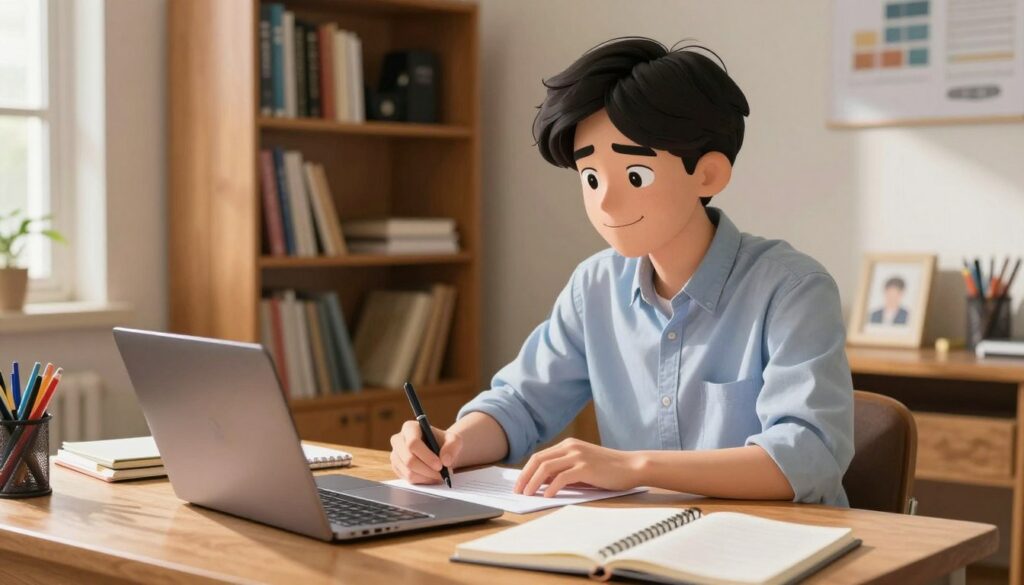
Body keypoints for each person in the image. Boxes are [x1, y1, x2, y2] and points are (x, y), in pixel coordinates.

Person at [389, 37, 854, 506]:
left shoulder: (793, 290)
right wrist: (453, 444)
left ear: (708, 174)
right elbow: (522, 403)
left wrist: (631, 467)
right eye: (591, 178)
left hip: (778, 553)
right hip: (638, 544)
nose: (605, 201)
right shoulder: (594, 286)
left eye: (636, 175)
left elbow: (808, 455)